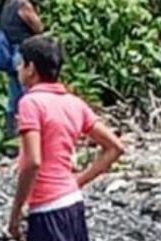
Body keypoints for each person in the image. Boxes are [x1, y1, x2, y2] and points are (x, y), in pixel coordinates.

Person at [7, 36, 124, 241]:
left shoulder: (30, 103)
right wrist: (78, 181)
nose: (17, 68)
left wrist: (16, 211)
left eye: (20, 63)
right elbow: (115, 147)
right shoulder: (74, 103)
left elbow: (33, 162)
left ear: (30, 68)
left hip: (47, 207)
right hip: (72, 201)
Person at [0, 0, 43, 138]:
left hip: (10, 55)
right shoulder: (21, 4)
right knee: (28, 96)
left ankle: (11, 137)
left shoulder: (3, 3)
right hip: (23, 55)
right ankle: (30, 136)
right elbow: (38, 27)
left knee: (14, 98)